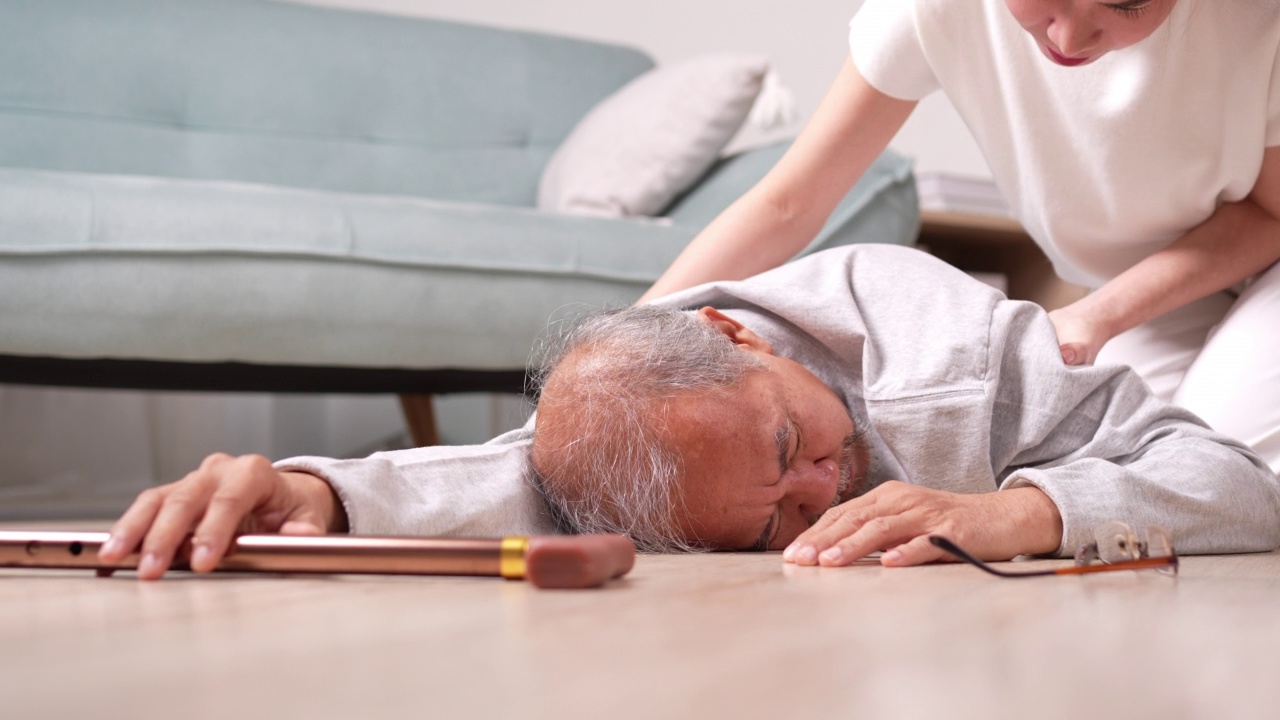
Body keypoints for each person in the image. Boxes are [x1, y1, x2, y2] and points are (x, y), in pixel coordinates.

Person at [99, 245, 1280, 579]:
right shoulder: (666, 417)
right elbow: (521, 473)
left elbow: (1238, 484)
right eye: (768, 526)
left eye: (789, 446)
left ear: (734, 337)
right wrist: (314, 493)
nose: (824, 492)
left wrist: (1016, 509)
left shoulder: (949, 340)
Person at [638, 0, 1280, 472]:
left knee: (1227, 474)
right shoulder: (936, 9)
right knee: (1119, 471)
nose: (1069, 35)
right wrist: (622, 341)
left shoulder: (1255, 21)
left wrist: (1096, 315)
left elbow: (1269, 215)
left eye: (1125, 4)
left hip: (1257, 263)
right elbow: (788, 202)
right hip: (1160, 285)